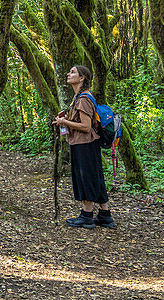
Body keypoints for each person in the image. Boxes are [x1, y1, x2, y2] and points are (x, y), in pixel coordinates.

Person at [52, 64, 114, 229]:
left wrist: (64, 122)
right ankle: (105, 215)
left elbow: (86, 127)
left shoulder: (84, 98)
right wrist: (65, 120)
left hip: (85, 144)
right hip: (83, 143)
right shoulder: (79, 97)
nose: (68, 73)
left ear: (82, 78)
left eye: (73, 72)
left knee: (86, 177)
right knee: (95, 177)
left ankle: (86, 215)